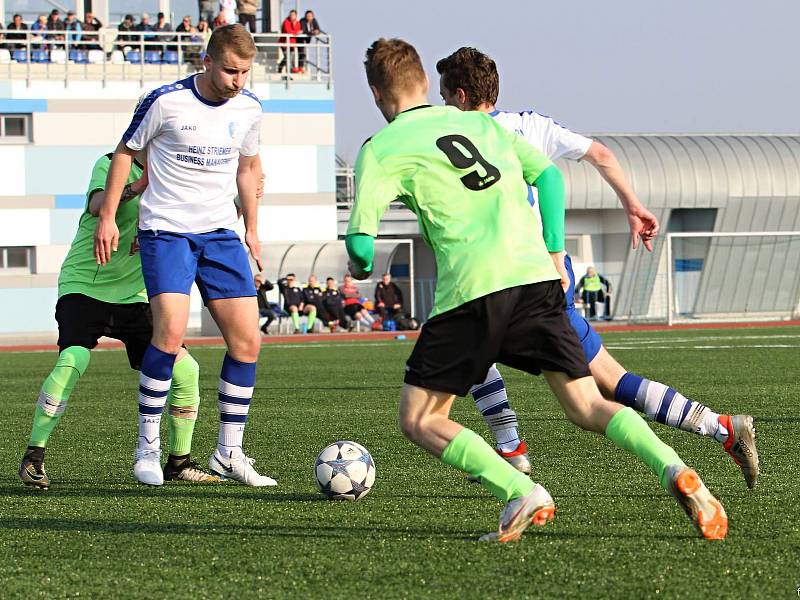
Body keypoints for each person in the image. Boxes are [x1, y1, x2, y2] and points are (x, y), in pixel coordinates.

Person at [347, 38, 728, 542]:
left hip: (472, 290)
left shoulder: (380, 148)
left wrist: (361, 262)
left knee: (419, 417)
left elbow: (360, 246)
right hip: (538, 281)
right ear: (423, 84)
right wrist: (552, 248)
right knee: (587, 404)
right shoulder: (482, 123)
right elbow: (549, 176)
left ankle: (518, 489)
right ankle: (673, 467)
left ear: (377, 94)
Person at [436, 46, 759, 489]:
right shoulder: (533, 125)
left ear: (459, 95)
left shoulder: (456, 142)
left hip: (522, 277)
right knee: (604, 379)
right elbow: (602, 154)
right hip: (544, 274)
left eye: (443, 97)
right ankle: (723, 428)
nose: (441, 107)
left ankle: (512, 449)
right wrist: (633, 205)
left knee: (587, 387)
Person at [93, 24, 274, 488]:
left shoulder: (250, 108)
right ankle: (147, 449)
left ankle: (228, 452)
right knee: (170, 334)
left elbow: (249, 166)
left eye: (245, 72)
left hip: (220, 234)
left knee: (247, 342)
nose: (238, 81)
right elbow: (124, 153)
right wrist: (109, 216)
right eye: (231, 70)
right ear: (208, 62)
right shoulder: (165, 101)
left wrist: (252, 228)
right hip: (167, 232)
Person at [18, 149, 219, 490]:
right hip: (85, 284)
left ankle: (178, 463)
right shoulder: (111, 163)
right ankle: (33, 456)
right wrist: (142, 182)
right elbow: (99, 205)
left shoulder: (176, 172)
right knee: (73, 358)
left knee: (186, 370)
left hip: (134, 296)